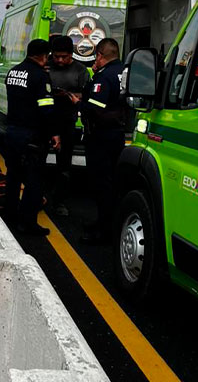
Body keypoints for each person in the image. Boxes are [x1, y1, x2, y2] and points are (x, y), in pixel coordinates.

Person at [70, 38, 126, 242]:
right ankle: (106, 224)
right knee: (112, 183)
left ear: (101, 56)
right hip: (118, 134)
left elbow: (94, 108)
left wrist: (78, 103)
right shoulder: (124, 72)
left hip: (101, 136)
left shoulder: (104, 77)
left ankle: (103, 231)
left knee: (101, 184)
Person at [4, 39, 60, 236]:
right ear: (44, 56)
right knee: (33, 180)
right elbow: (46, 109)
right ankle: (27, 223)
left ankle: (9, 214)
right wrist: (54, 133)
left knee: (13, 176)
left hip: (12, 131)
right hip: (32, 135)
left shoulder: (13, 72)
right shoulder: (40, 77)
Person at [47, 36, 88, 216]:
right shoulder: (45, 66)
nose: (60, 60)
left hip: (67, 123)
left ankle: (59, 201)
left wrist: (70, 95)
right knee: (36, 162)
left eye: (64, 57)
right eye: (56, 57)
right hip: (45, 121)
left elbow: (86, 95)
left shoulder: (80, 70)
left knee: (64, 165)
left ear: (71, 55)